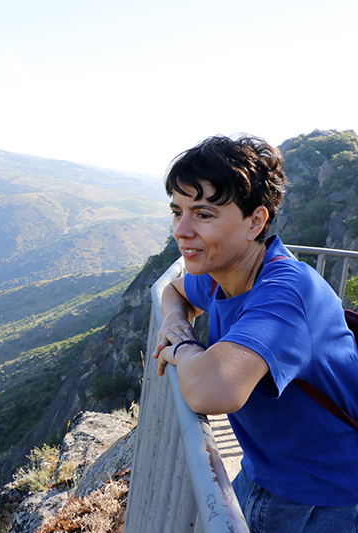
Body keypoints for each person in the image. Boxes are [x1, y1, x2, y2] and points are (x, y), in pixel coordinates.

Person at [152, 135, 358, 532]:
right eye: (177, 212)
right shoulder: (222, 276)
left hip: (324, 500)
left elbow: (212, 390)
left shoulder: (287, 293)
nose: (182, 230)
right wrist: (174, 321)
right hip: (264, 472)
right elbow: (174, 291)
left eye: (204, 214)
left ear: (256, 221)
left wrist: (181, 346)